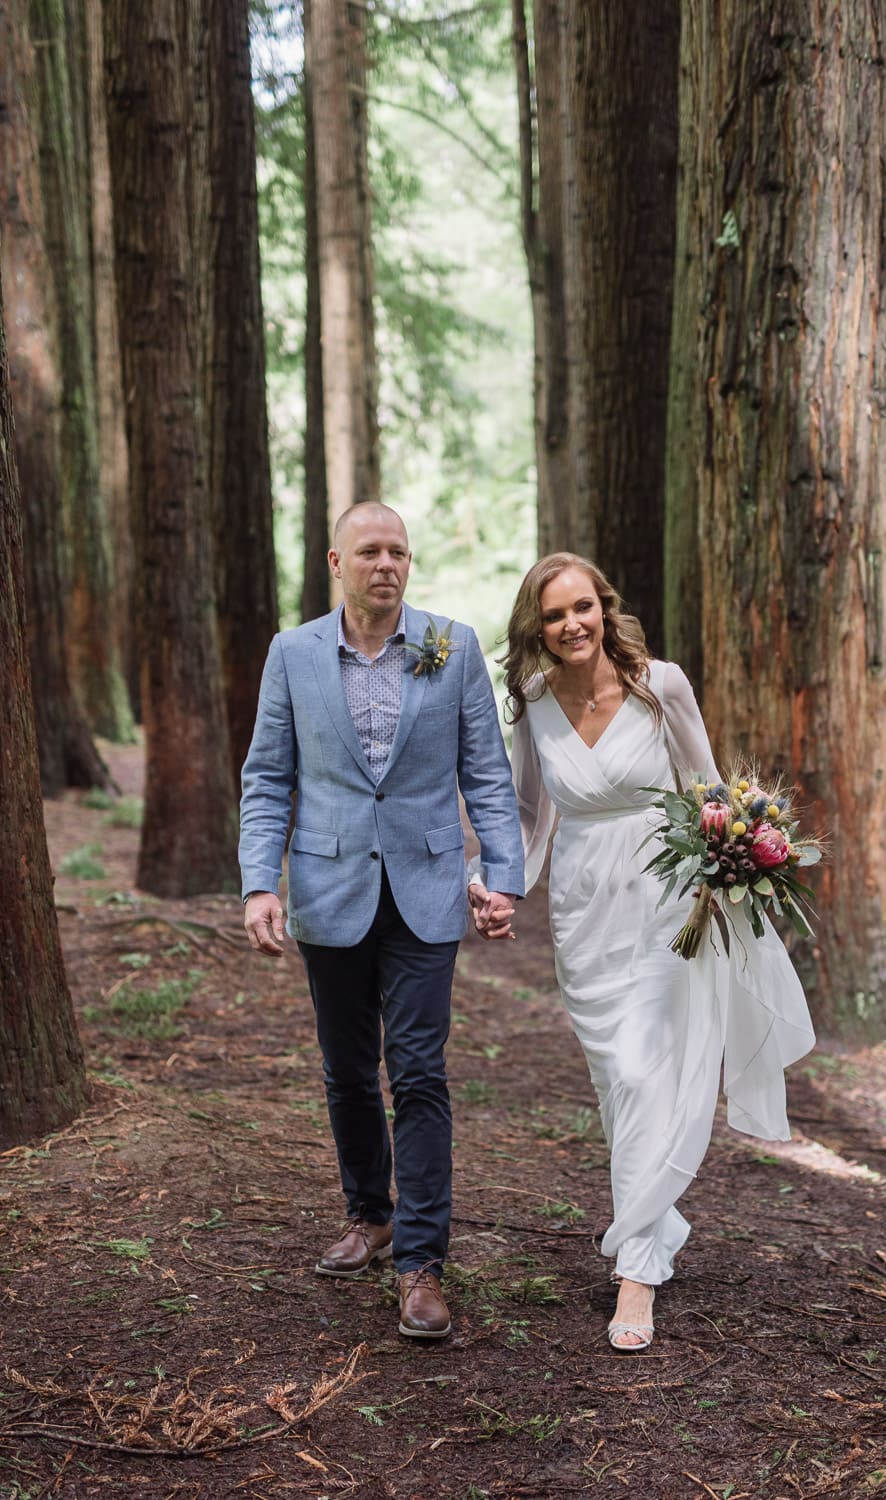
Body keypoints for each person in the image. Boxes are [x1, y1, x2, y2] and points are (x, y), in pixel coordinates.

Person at [491, 552, 815, 1352]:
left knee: (644, 1072)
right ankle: (656, 1221)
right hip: (583, 910)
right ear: (536, 629)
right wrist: (499, 885)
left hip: (667, 903)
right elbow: (531, 816)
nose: (570, 626)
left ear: (604, 608)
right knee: (619, 1084)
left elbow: (707, 791)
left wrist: (740, 862)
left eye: (581, 608)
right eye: (552, 616)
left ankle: (635, 1269)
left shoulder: (658, 684)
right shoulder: (530, 703)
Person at [239, 503, 523, 1341]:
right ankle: (370, 1213)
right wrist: (262, 883)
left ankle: (423, 1265)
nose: (386, 564)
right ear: (338, 561)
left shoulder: (454, 645)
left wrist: (499, 875)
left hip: (428, 889)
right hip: (328, 888)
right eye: (370, 551)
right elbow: (267, 778)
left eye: (398, 551)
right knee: (347, 1071)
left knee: (420, 1072)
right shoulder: (292, 654)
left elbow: (487, 771)